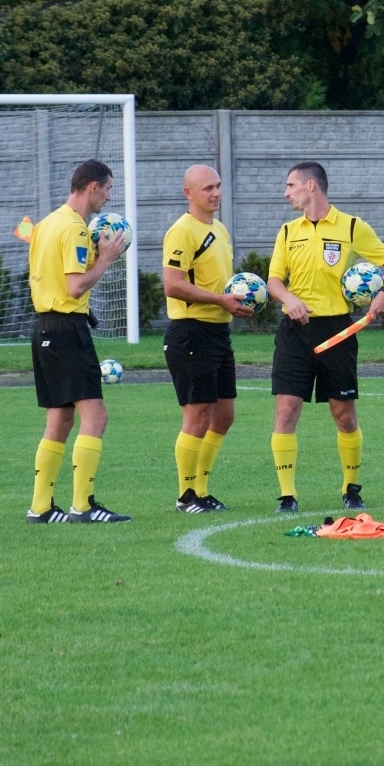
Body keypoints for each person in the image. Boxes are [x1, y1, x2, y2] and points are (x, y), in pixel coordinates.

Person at [266, 161, 384, 514]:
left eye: (291, 185)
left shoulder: (352, 226)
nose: (286, 192)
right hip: (295, 333)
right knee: (286, 410)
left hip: (338, 330)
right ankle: (287, 497)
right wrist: (289, 299)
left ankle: (351, 488)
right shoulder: (286, 231)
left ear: (312, 186)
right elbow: (274, 282)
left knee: (344, 416)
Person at [25, 159, 130, 524]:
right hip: (67, 329)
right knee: (96, 415)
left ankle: (40, 508)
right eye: (108, 188)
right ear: (92, 188)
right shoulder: (73, 228)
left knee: (59, 419)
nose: (109, 196)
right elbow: (75, 285)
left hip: (43, 329)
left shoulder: (47, 223)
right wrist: (106, 258)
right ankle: (83, 506)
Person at [161, 164, 253, 514]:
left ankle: (201, 489)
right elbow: (172, 283)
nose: (215, 193)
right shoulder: (182, 231)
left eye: (218, 186)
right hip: (190, 332)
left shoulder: (220, 229)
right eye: (207, 188)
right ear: (189, 194)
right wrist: (219, 300)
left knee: (224, 416)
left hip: (217, 332)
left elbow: (222, 285)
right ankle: (186, 496)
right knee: (197, 416)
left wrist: (239, 299)